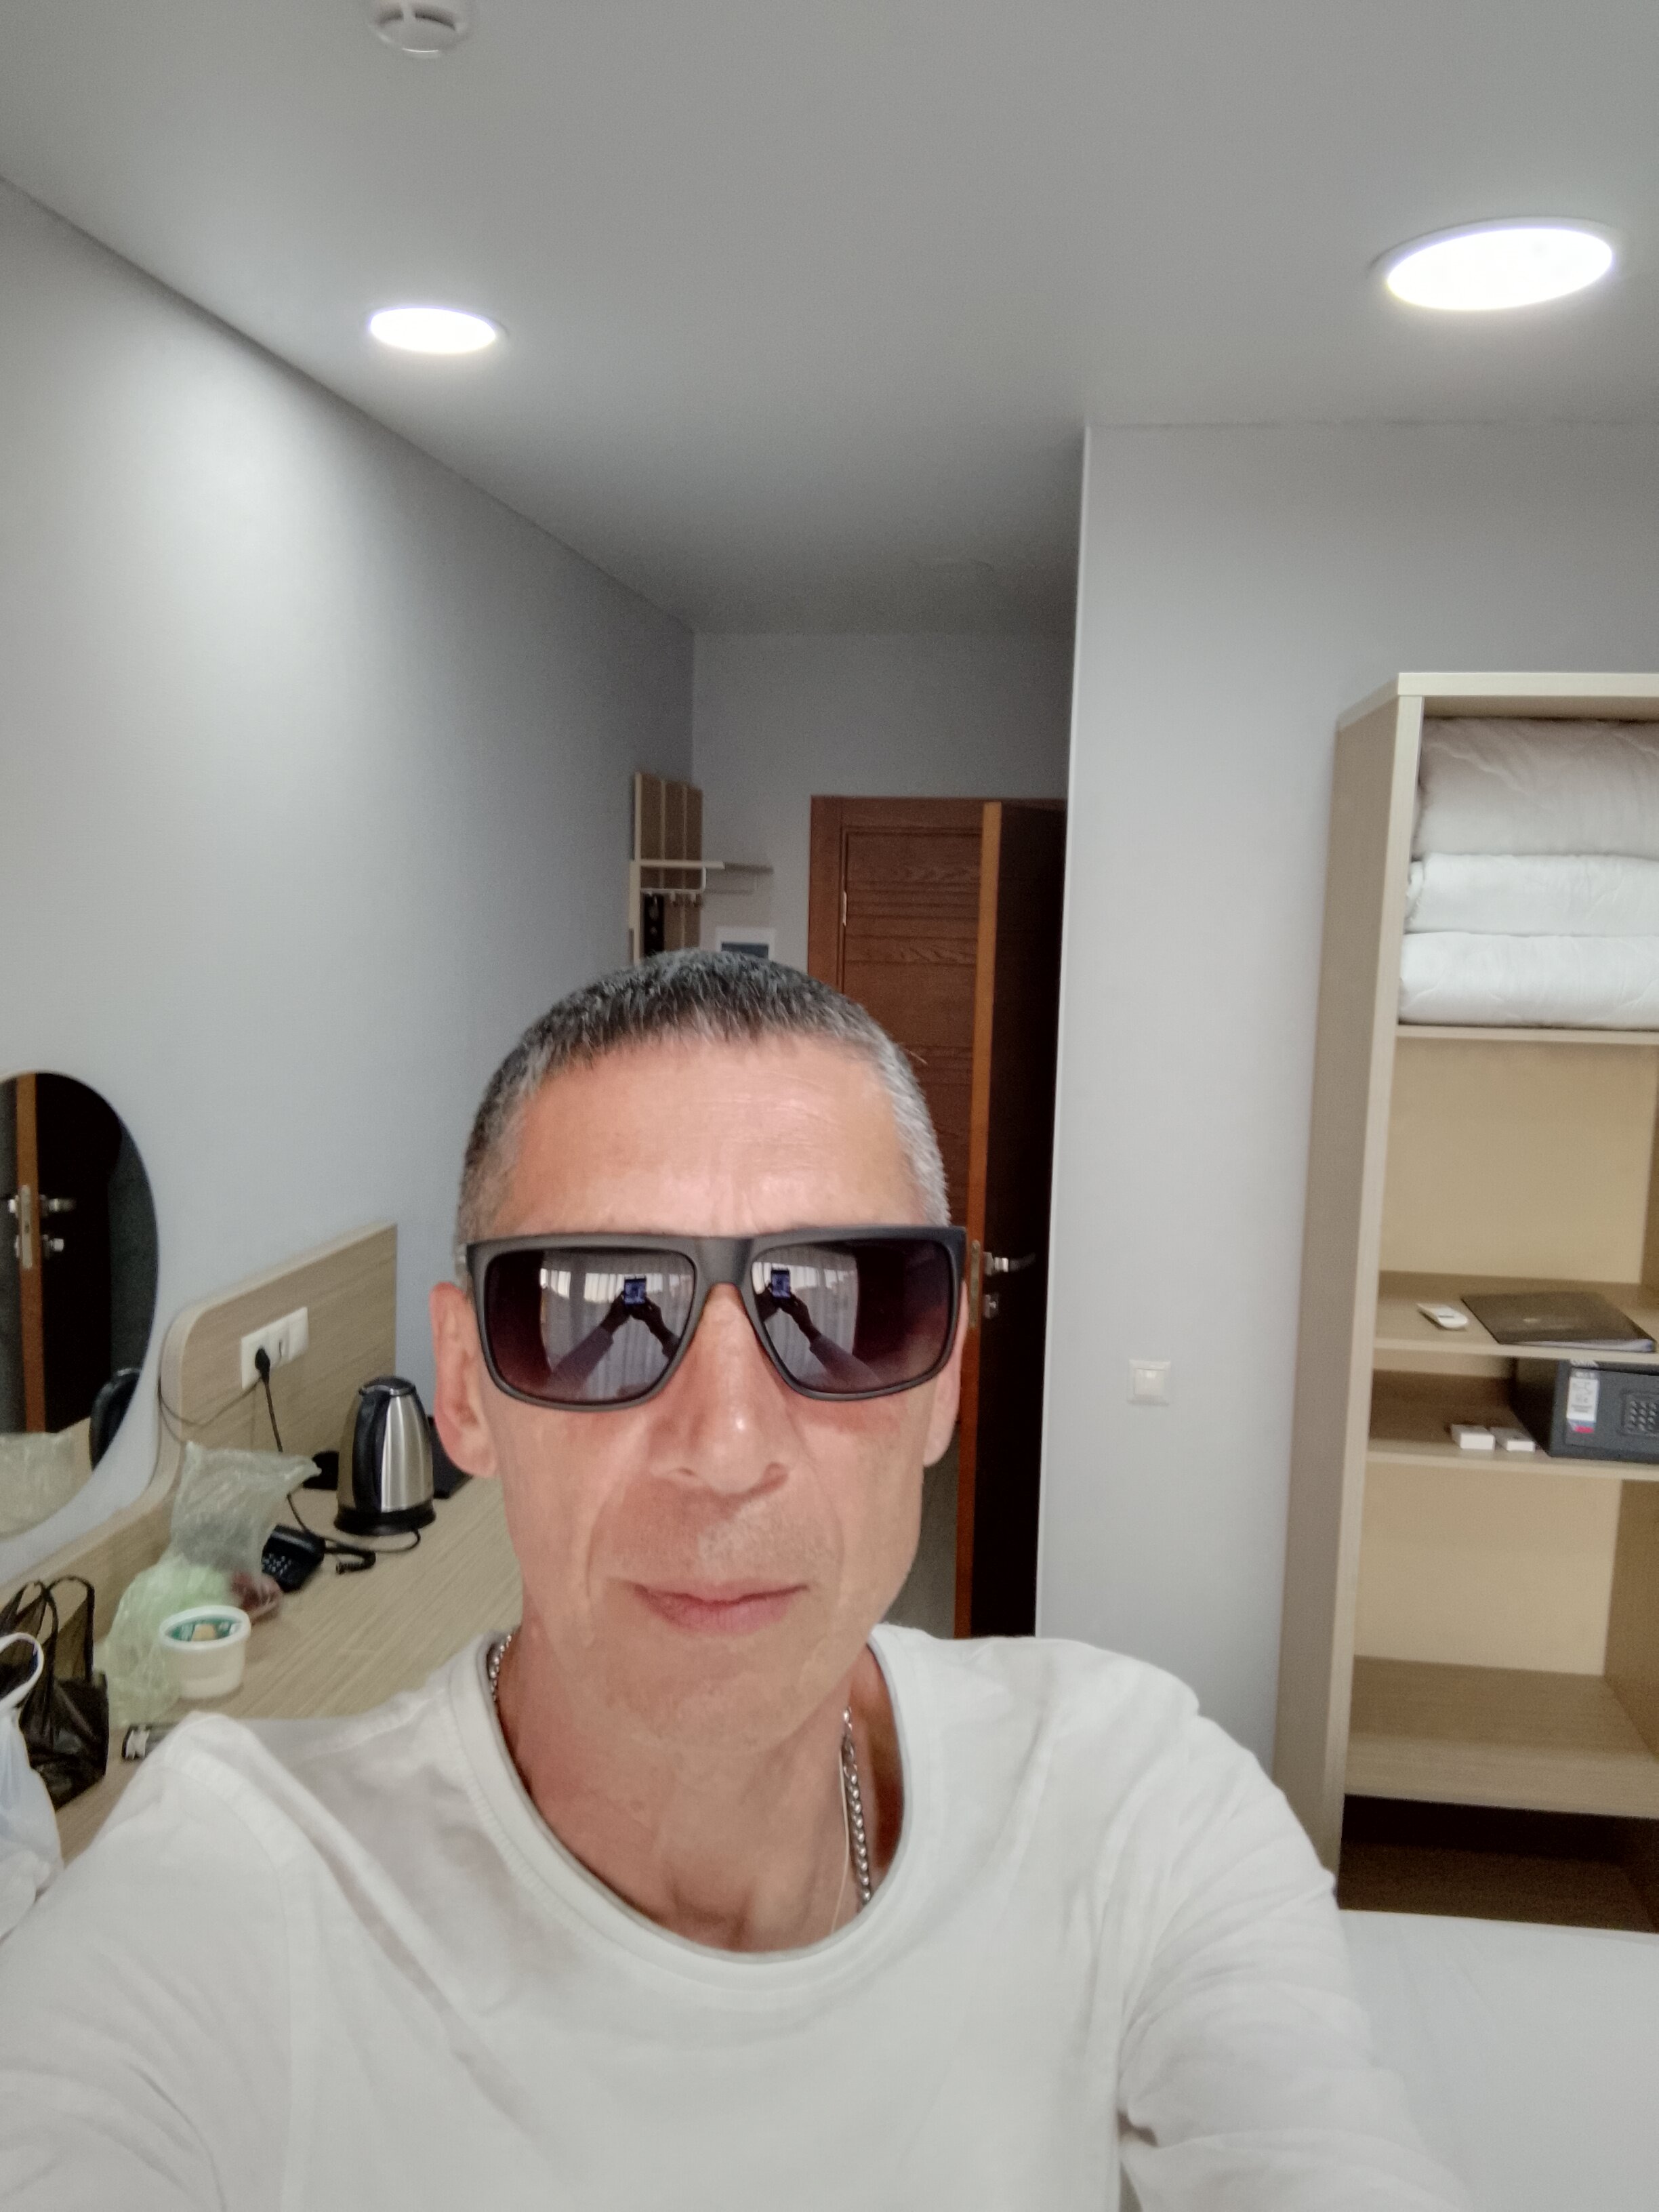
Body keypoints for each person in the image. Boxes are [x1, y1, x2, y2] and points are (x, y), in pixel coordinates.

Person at [0, 952, 1464, 2209]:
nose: (726, 1448)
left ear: (945, 1379)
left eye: (841, 1305)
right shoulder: (234, 1900)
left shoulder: (1134, 1806)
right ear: (465, 1386)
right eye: (601, 1310)